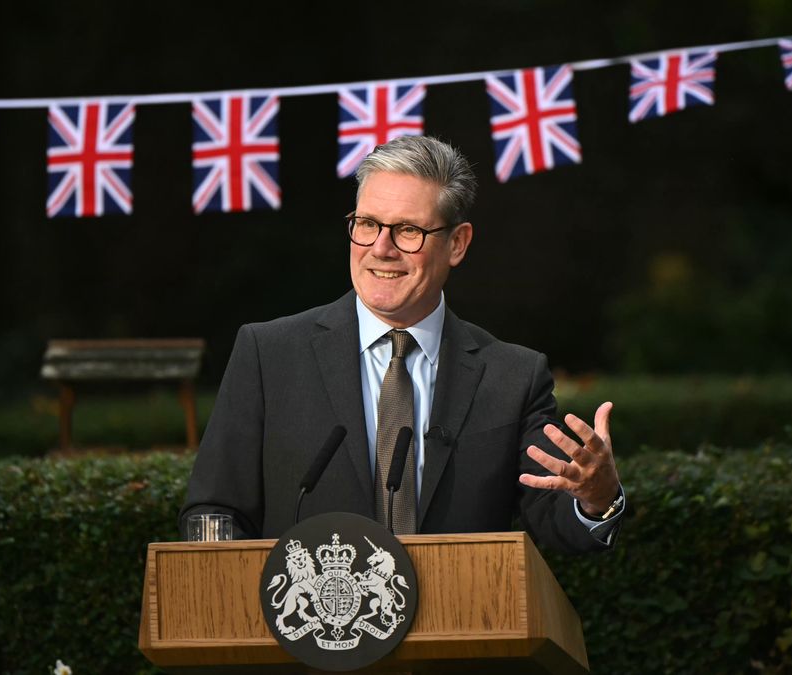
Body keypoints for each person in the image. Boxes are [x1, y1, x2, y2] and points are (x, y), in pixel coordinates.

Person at [180, 135, 624, 553]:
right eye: (368, 224)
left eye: (408, 230)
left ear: (457, 243)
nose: (381, 248)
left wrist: (596, 498)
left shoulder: (513, 377)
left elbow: (552, 517)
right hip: (306, 633)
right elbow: (215, 510)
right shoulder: (268, 354)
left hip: (458, 625)